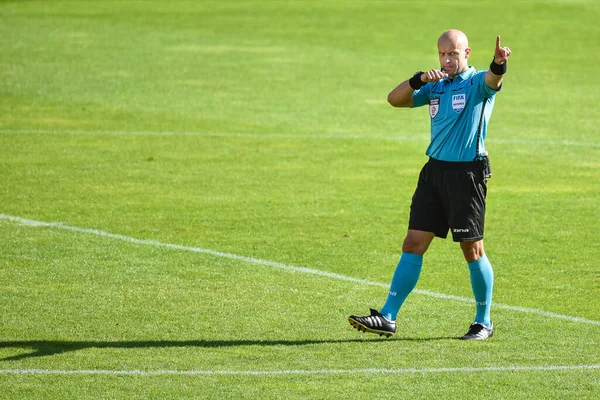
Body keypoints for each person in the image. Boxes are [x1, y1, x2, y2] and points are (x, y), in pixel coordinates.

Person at [348, 29, 511, 340]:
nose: (447, 59)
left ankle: (483, 322)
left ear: (467, 53)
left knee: (472, 249)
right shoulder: (435, 86)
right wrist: (418, 79)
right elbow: (394, 100)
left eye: (453, 53)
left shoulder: (477, 83)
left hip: (466, 176)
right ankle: (388, 316)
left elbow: (494, 79)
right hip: (433, 174)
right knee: (413, 243)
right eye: (442, 54)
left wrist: (499, 63)